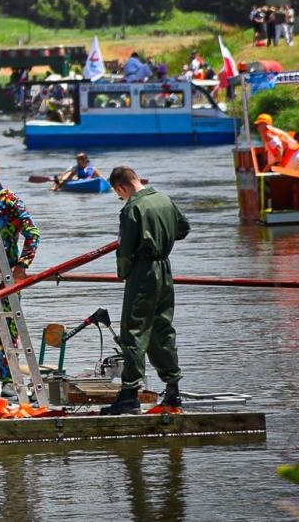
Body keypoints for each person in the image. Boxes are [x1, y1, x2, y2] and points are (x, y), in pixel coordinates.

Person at [102, 166, 190, 414]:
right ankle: (173, 391)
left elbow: (125, 250)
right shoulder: (165, 199)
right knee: (162, 329)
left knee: (133, 331)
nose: (121, 197)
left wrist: (124, 273)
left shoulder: (132, 208)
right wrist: (162, 236)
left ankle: (129, 394)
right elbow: (183, 229)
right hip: (165, 269)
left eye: (119, 194)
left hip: (143, 272)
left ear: (122, 187)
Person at [0, 156, 39, 401]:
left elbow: (33, 234)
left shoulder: (10, 202)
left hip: (4, 274)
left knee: (6, 326)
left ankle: (7, 379)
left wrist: (22, 265)